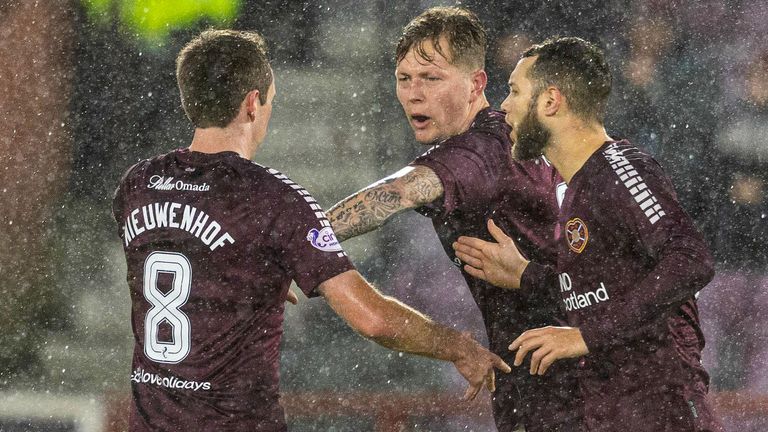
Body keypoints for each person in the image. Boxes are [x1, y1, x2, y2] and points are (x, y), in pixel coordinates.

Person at [112, 29, 510, 432]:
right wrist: (457, 347)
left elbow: (194, 244)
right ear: (254, 103)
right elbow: (373, 320)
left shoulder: (138, 184)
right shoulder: (270, 198)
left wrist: (262, 260)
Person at [328, 8, 582, 432]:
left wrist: (289, 240)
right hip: (559, 374)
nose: (413, 94)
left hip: (572, 384)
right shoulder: (503, 137)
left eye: (431, 78)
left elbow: (394, 195)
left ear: (476, 84)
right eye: (404, 78)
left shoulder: (481, 151)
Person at [452, 36, 723, 431]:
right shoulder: (574, 186)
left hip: (663, 411)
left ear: (550, 101)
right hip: (617, 413)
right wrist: (528, 276)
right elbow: (609, 287)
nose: (504, 105)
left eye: (513, 91)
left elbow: (690, 260)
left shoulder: (621, 169)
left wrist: (584, 336)